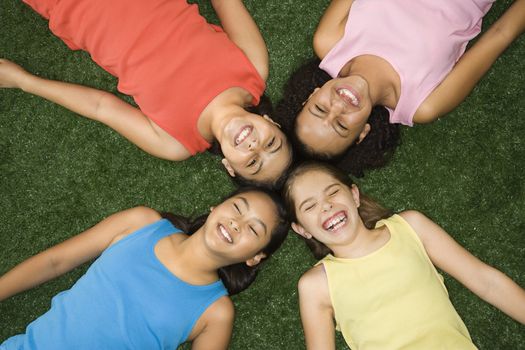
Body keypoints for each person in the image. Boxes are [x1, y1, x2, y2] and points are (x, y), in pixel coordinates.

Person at [0, 0, 292, 188]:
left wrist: (25, 81)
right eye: (271, 144)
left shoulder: (175, 143)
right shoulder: (253, 67)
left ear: (229, 166)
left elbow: (101, 107)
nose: (255, 146)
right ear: (273, 123)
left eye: (252, 162)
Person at [0, 187, 289, 349]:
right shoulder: (141, 223)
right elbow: (55, 261)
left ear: (255, 257)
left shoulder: (216, 312)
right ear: (216, 207)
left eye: (254, 229)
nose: (238, 223)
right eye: (238, 207)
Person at [282, 161, 525, 349]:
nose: (326, 206)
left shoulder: (410, 227)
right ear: (301, 229)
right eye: (309, 206)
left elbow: (487, 282)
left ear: (354, 195)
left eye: (332, 192)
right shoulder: (316, 285)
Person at [274, 0, 525, 177]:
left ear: (311, 96)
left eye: (320, 109)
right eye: (341, 125)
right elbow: (500, 35)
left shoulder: (329, 40)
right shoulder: (422, 103)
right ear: (363, 133)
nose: (338, 106)